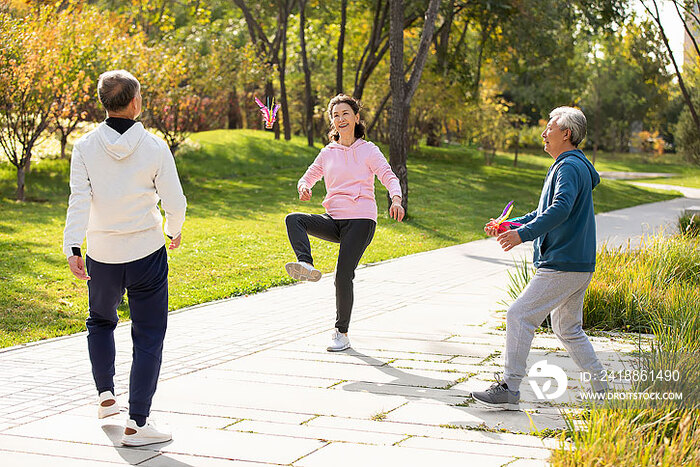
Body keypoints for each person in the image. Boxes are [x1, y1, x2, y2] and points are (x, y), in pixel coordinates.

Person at [63, 70, 187, 445]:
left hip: (101, 253)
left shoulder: (84, 147)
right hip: (146, 252)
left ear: (105, 102)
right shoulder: (154, 147)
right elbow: (175, 201)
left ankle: (105, 397)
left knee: (100, 322)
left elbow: (79, 199)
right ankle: (137, 423)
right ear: (135, 102)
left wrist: (73, 246)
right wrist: (172, 229)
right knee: (148, 335)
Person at [472, 106, 607, 410]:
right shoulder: (571, 165)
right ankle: (603, 389)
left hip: (562, 262)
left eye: (549, 128)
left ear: (566, 133)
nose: (544, 133)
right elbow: (542, 212)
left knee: (519, 315)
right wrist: (511, 225)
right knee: (568, 328)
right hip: (576, 263)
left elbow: (560, 209)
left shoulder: (568, 167)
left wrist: (524, 235)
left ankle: (509, 386)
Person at [285, 94, 404, 352]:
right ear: (332, 122)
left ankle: (341, 333)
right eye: (336, 115)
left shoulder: (368, 150)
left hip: (361, 219)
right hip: (334, 219)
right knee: (294, 220)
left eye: (345, 114)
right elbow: (308, 176)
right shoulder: (328, 153)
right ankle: (305, 262)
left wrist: (396, 199)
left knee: (342, 274)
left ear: (356, 118)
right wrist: (304, 186)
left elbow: (387, 175)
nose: (340, 119)